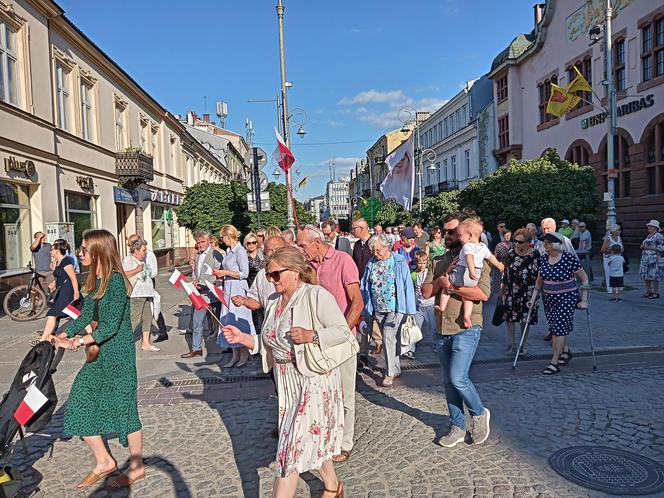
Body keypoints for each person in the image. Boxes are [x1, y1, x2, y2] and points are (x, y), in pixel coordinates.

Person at [222, 247, 352, 498]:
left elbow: (343, 331)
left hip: (313, 379)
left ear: (295, 272)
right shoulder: (272, 301)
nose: (272, 280)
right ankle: (334, 487)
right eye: (269, 275)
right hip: (286, 381)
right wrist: (245, 339)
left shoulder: (316, 295)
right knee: (310, 435)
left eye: (276, 275)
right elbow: (267, 341)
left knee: (290, 448)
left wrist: (311, 335)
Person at [52, 229, 144, 489]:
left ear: (98, 251)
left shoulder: (114, 281)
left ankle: (136, 468)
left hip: (118, 355)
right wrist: (62, 333)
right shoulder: (95, 279)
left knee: (125, 409)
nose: (79, 253)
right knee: (80, 401)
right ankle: (104, 461)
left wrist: (77, 341)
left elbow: (110, 327)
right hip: (99, 354)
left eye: (83, 249)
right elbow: (83, 317)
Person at [421, 211, 491, 448]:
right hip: (442, 328)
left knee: (458, 378)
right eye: (446, 231)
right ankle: (457, 426)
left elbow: (482, 294)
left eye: (453, 231)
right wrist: (441, 282)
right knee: (449, 382)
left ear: (465, 233)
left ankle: (479, 414)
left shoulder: (478, 258)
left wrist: (452, 288)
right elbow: (426, 292)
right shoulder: (438, 261)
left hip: (466, 327)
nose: (447, 235)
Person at [296, 224, 363, 464]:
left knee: (345, 394)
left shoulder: (343, 260)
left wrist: (343, 333)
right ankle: (325, 437)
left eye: (302, 245)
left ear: (316, 242)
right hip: (316, 340)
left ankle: (345, 442)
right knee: (323, 394)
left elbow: (357, 302)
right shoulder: (308, 266)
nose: (300, 249)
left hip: (341, 340)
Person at [528, 232, 589, 375]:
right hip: (549, 298)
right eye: (544, 244)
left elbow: (584, 279)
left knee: (558, 329)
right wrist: (533, 299)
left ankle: (554, 362)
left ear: (557, 244)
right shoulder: (543, 259)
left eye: (548, 243)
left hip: (567, 297)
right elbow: (539, 283)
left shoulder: (569, 258)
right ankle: (565, 350)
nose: (545, 246)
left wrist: (584, 300)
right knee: (557, 326)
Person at [360, 234, 416, 388]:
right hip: (377, 307)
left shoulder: (398, 260)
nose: (375, 253)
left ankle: (390, 372)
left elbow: (407, 285)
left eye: (378, 250)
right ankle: (396, 368)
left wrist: (410, 310)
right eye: (373, 251)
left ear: (387, 247)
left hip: (395, 306)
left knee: (388, 337)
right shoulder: (371, 263)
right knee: (392, 339)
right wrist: (365, 307)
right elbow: (364, 285)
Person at [435, 218, 504, 329]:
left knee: (445, 284)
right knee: (468, 298)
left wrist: (470, 270)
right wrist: (499, 265)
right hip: (474, 277)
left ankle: (442, 306)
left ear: (470, 236)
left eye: (460, 235)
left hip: (463, 272)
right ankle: (467, 316)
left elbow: (469, 258)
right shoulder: (483, 247)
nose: (459, 237)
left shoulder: (467, 246)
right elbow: (491, 258)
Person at [214, 225, 256, 367]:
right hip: (228, 288)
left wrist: (226, 273)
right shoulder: (228, 251)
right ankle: (235, 354)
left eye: (223, 237)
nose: (222, 240)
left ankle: (244, 353)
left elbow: (244, 273)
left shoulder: (240, 251)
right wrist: (220, 274)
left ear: (228, 236)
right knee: (229, 320)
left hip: (238, 288)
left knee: (239, 320)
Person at [181, 229, 223, 358]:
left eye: (202, 241)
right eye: (198, 242)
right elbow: (196, 272)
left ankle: (228, 347)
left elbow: (219, 272)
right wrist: (194, 281)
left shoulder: (215, 253)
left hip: (213, 292)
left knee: (221, 321)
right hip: (200, 294)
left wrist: (205, 282)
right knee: (197, 322)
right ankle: (196, 348)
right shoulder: (198, 255)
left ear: (208, 240)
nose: (200, 244)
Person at [500, 228, 539, 354]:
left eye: (520, 242)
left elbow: (539, 275)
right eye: (515, 241)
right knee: (510, 317)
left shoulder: (535, 255)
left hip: (529, 292)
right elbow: (505, 273)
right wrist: (503, 290)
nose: (517, 244)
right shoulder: (511, 254)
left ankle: (523, 344)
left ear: (528, 242)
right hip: (512, 290)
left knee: (525, 319)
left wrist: (537, 293)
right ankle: (511, 343)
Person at [351, 218, 382, 365]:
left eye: (354, 228)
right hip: (360, 286)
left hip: (375, 287)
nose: (352, 231)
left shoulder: (375, 242)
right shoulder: (357, 245)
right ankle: (362, 353)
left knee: (375, 317)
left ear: (362, 229)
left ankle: (380, 341)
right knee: (363, 317)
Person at [127, 234, 168, 343]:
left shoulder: (149, 255)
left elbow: (153, 272)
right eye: (129, 244)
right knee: (140, 314)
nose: (130, 246)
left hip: (147, 283)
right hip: (137, 289)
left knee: (154, 308)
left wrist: (145, 273)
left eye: (132, 243)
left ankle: (162, 331)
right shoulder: (130, 257)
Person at [38, 240, 81, 342]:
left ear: (57, 250)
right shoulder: (59, 262)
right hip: (62, 291)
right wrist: (54, 282)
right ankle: (90, 330)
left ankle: (43, 340)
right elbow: (61, 276)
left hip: (67, 292)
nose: (50, 252)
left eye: (52, 249)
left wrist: (76, 292)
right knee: (76, 314)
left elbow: (73, 277)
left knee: (53, 314)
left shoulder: (66, 262)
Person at [122, 238, 159, 352]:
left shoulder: (142, 260)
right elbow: (123, 275)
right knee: (135, 319)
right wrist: (137, 270)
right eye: (143, 250)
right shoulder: (128, 260)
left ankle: (146, 343)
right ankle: (123, 342)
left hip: (146, 293)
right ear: (136, 250)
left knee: (148, 318)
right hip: (136, 294)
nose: (145, 252)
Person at [409, 251, 435, 359]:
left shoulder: (430, 274)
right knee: (415, 328)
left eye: (424, 263)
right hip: (418, 305)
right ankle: (411, 349)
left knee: (433, 327)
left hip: (430, 304)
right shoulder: (414, 274)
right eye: (419, 263)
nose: (421, 265)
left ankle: (436, 345)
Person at [244, 232, 265, 333]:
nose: (252, 245)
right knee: (256, 317)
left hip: (264, 287)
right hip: (251, 289)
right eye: (249, 243)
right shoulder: (244, 257)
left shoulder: (263, 254)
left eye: (254, 242)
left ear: (257, 243)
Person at [639, 220, 664, 299]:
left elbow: (661, 248)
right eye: (648, 226)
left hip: (654, 259)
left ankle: (655, 292)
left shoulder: (658, 236)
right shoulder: (648, 236)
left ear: (655, 228)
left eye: (651, 226)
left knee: (654, 276)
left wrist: (648, 247)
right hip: (646, 258)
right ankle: (649, 291)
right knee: (646, 275)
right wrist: (642, 246)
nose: (649, 227)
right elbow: (644, 245)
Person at [601, 225, 623, 294]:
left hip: (618, 259)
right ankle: (610, 289)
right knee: (609, 273)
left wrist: (617, 251)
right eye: (618, 230)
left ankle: (619, 288)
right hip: (608, 259)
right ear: (614, 231)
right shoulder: (608, 239)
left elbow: (622, 249)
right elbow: (602, 250)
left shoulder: (619, 238)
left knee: (618, 273)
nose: (620, 231)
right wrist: (613, 251)